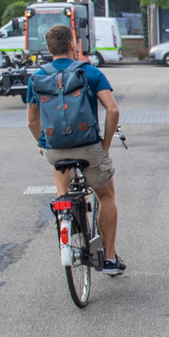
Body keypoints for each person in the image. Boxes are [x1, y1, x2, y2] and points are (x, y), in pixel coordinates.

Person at [25, 24, 125, 275]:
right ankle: (110, 259)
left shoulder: (36, 78)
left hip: (56, 150)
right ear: (73, 44)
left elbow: (32, 121)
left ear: (48, 49)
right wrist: (105, 145)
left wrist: (42, 144)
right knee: (106, 196)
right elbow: (112, 110)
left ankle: (67, 215)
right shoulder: (90, 73)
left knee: (61, 177)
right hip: (88, 147)